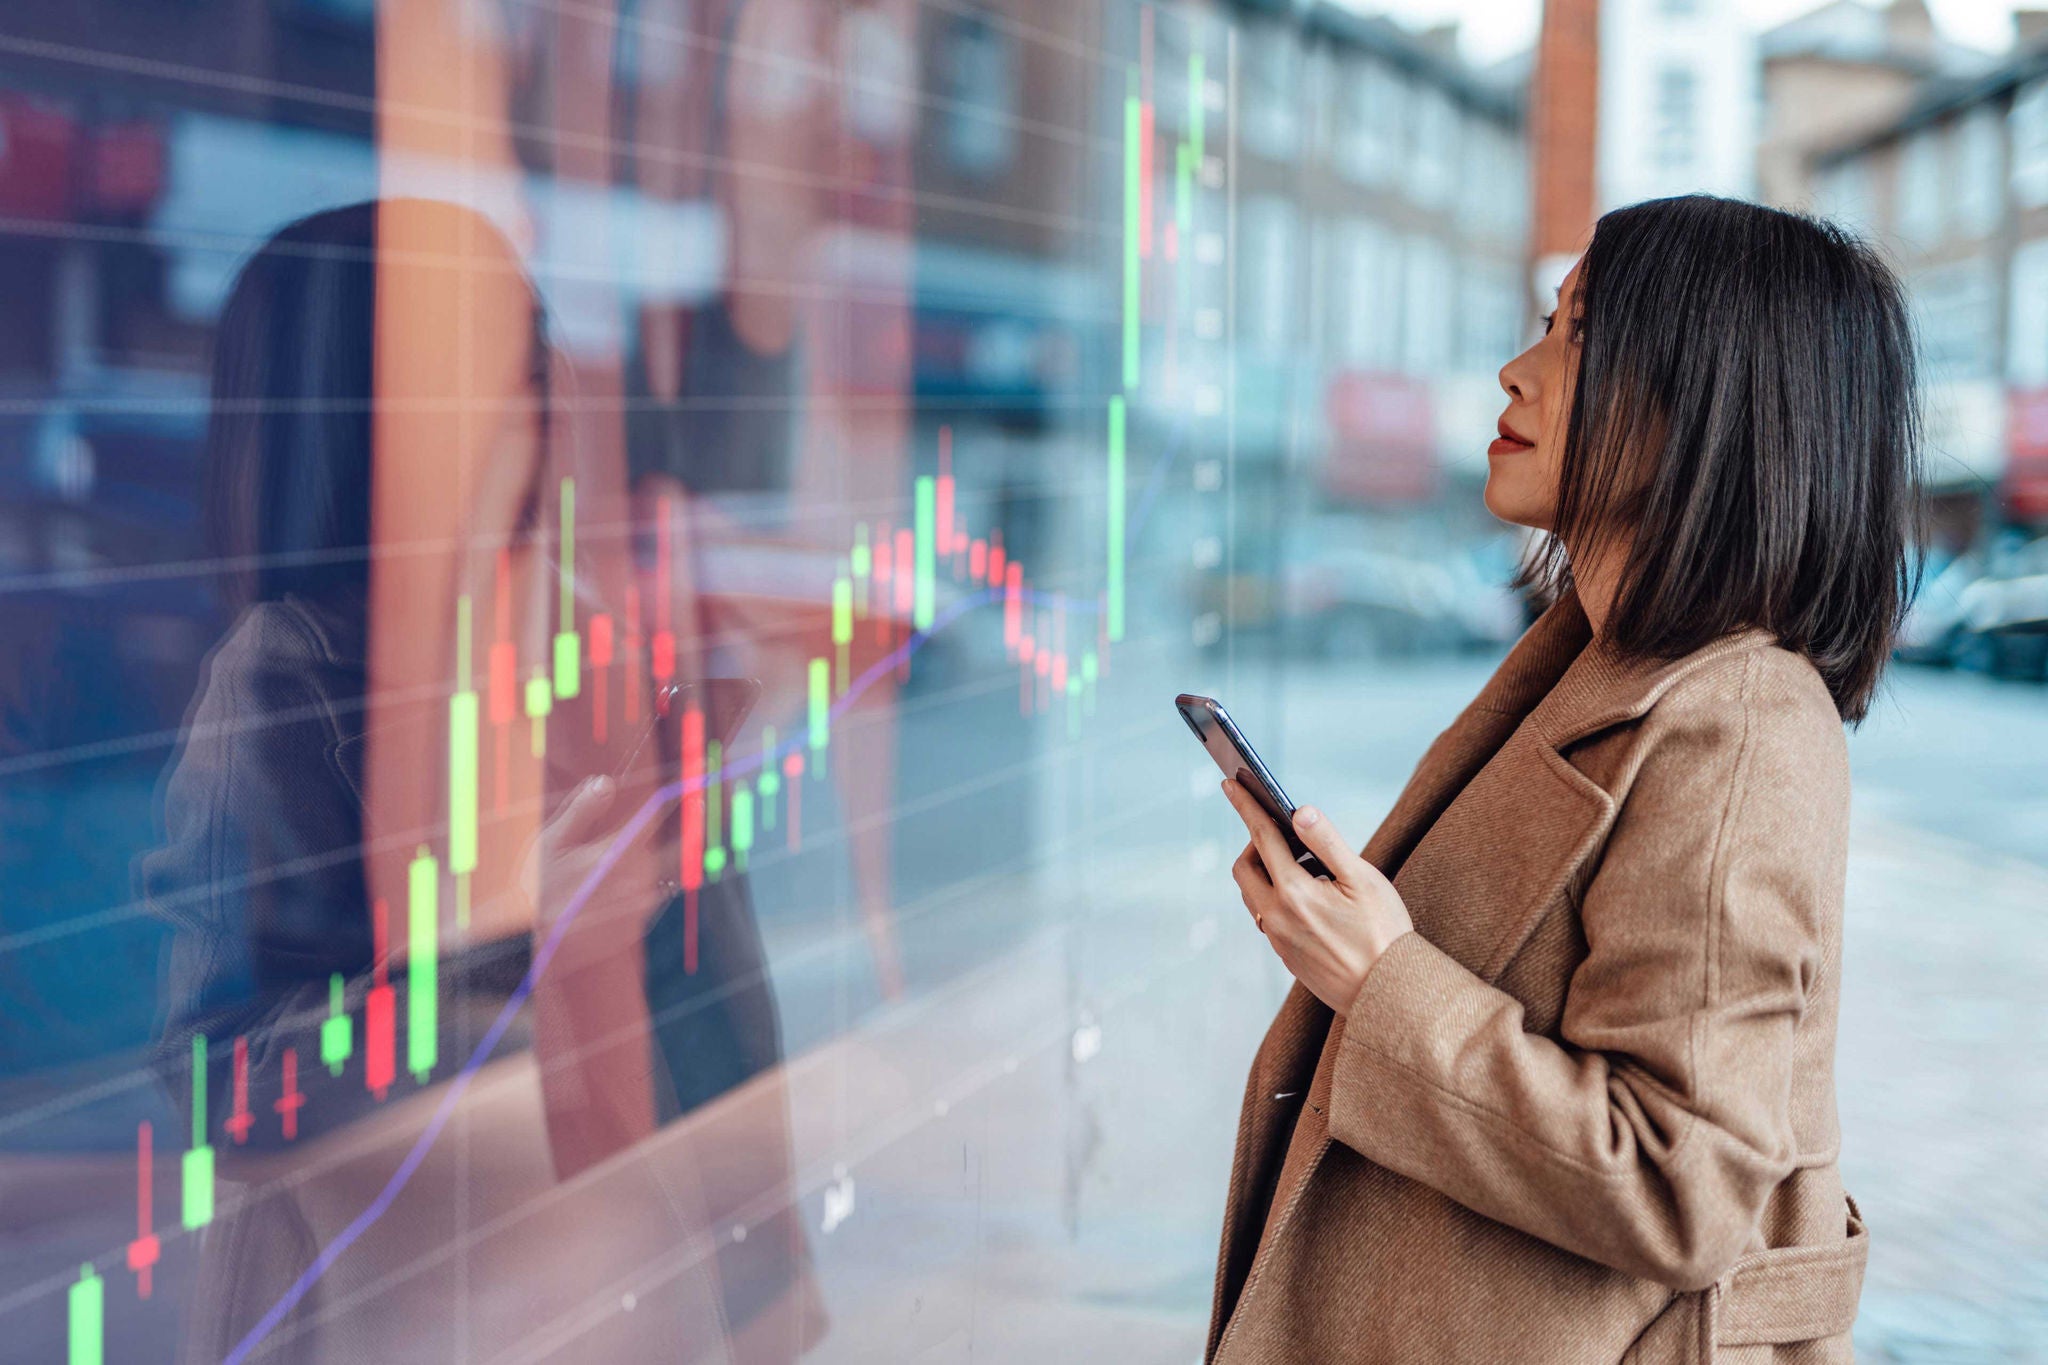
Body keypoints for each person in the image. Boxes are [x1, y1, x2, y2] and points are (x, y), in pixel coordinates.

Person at [1206, 195, 1917, 1362]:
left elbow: (1679, 1180)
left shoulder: (1734, 722)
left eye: (1577, 336)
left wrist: (1379, 981)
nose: (1514, 370)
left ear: (1708, 396)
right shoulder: (1596, 664)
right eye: (1545, 322)